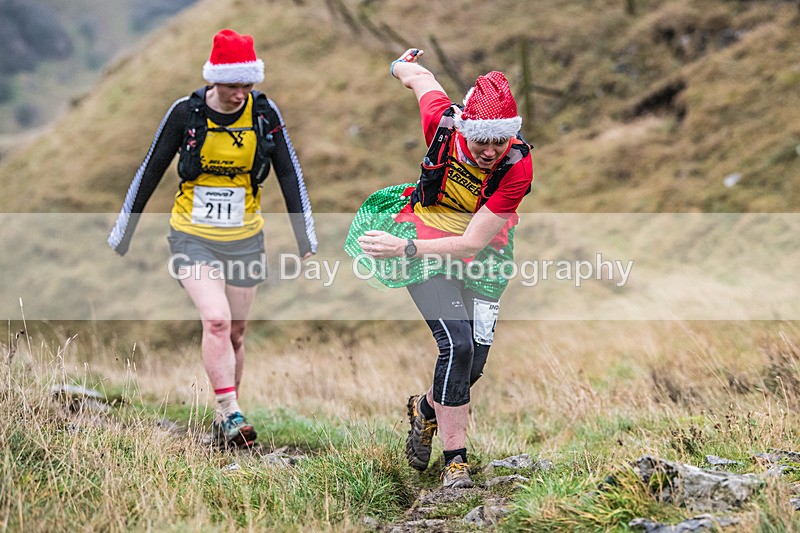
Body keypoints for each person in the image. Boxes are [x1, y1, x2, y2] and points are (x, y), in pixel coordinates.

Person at [108, 29, 317, 448]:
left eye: (247, 84)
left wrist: (305, 239)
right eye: (233, 84)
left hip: (245, 239)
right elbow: (151, 169)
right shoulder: (185, 113)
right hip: (191, 236)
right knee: (217, 320)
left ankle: (228, 419)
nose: (241, 93)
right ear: (214, 80)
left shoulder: (263, 112)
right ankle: (229, 411)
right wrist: (124, 231)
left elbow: (289, 172)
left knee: (237, 332)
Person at [345, 49, 533, 488]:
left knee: (475, 364)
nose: (489, 151)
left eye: (498, 141)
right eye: (480, 140)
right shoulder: (443, 123)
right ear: (465, 126)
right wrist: (399, 64)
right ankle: (455, 461)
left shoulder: (516, 166)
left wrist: (404, 250)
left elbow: (471, 242)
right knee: (458, 346)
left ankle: (425, 409)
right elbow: (420, 79)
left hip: (481, 253)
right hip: (424, 238)